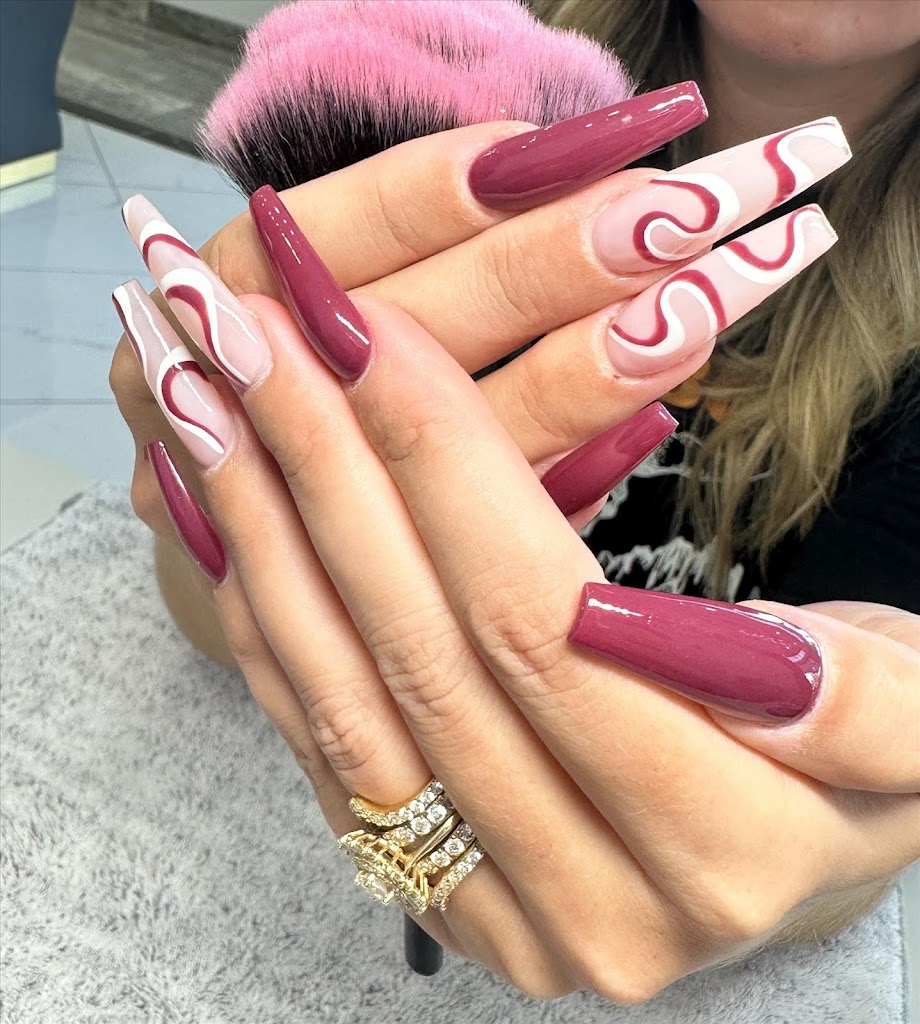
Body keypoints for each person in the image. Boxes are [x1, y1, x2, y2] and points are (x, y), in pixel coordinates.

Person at [109, 0, 920, 1002]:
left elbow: (865, 759)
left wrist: (836, 831)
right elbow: (200, 612)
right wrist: (238, 479)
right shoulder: (469, 62)